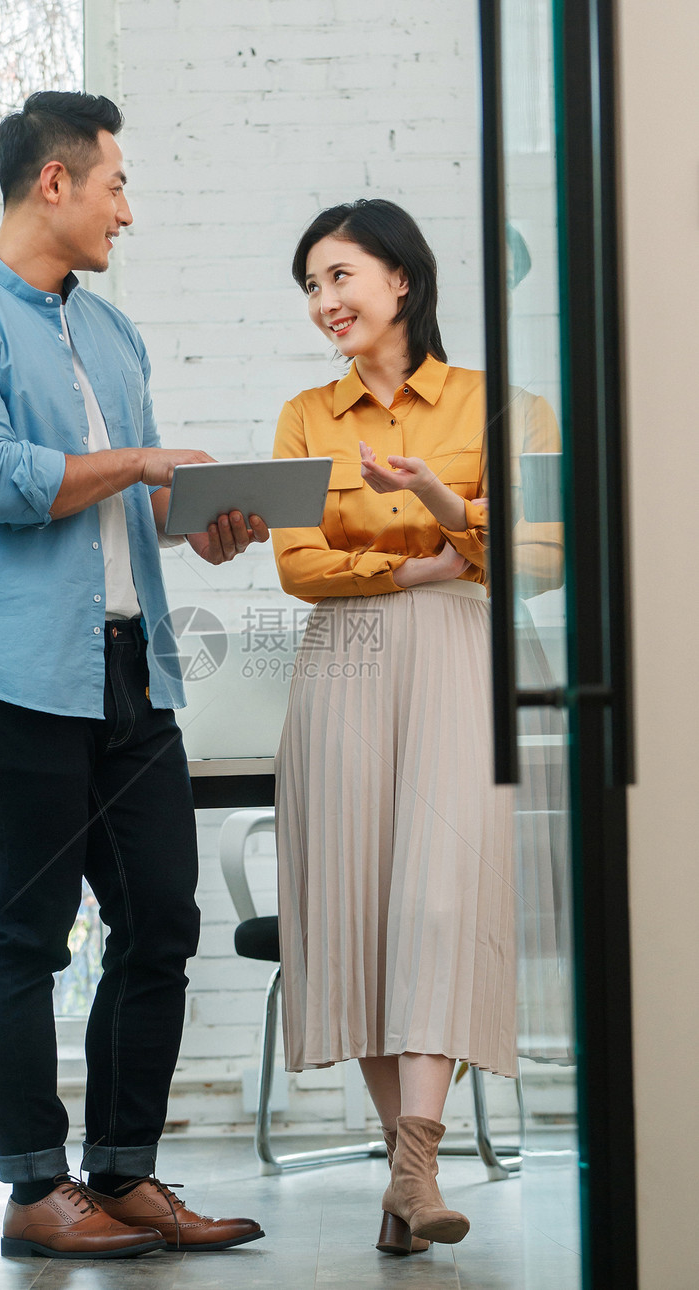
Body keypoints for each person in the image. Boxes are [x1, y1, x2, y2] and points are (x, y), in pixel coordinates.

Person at [0, 90, 268, 1262]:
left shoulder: (110, 334)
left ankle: (123, 1173)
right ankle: (34, 1191)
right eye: (115, 184)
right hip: (11, 681)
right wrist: (143, 461)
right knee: (24, 938)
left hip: (128, 673)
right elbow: (2, 483)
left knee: (158, 920)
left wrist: (193, 520)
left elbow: (127, 500)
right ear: (53, 183)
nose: (129, 211)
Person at [271, 198, 559, 1257]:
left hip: (456, 656)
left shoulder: (503, 409)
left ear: (400, 279)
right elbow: (297, 566)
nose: (322, 302)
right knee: (355, 907)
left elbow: (544, 554)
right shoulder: (306, 414)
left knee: (439, 899)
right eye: (308, 286)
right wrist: (410, 565)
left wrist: (447, 505)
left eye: (338, 276)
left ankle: (414, 1164)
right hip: (342, 663)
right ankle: (412, 1178)